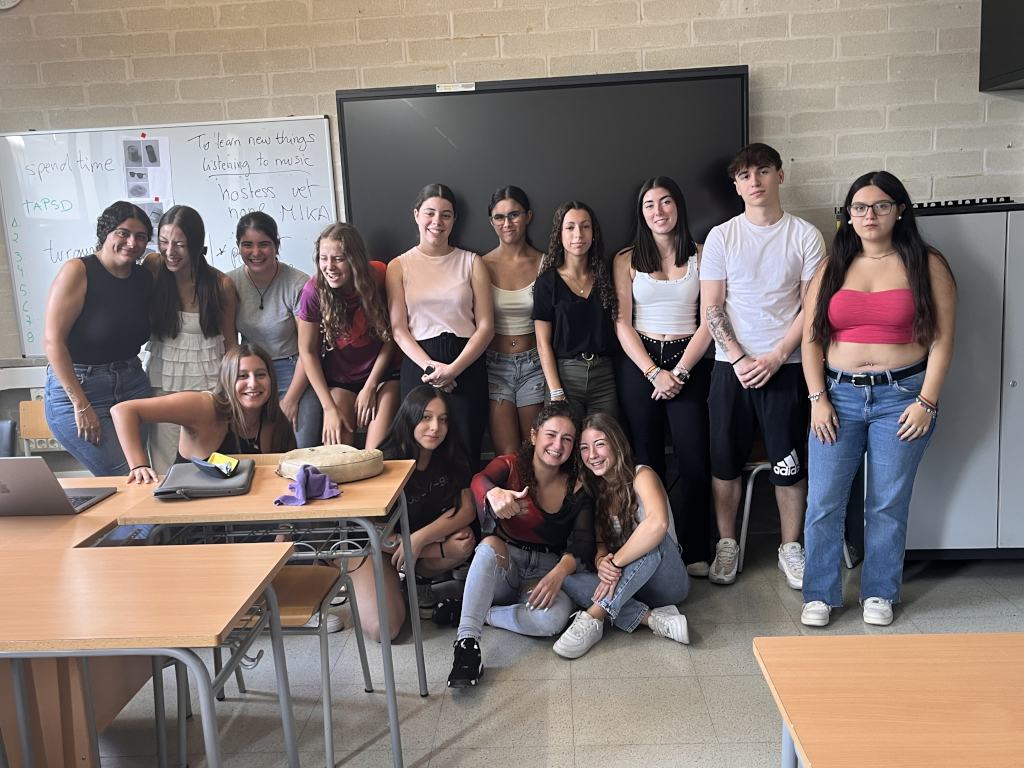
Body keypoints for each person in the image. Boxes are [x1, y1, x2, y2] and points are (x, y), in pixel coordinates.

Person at [800, 172, 956, 628]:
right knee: (823, 501)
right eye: (860, 207)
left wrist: (927, 402)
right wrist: (817, 398)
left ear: (900, 210)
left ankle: (880, 592)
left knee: (886, 503)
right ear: (848, 215)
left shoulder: (926, 263)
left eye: (881, 205)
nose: (869, 215)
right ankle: (820, 595)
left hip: (902, 399)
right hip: (837, 399)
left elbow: (943, 340)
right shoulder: (832, 267)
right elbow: (811, 339)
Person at [700, 143, 826, 589]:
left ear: (780, 176)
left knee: (789, 465)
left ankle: (790, 547)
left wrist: (775, 356)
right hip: (729, 368)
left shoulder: (806, 236)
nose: (754, 182)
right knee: (724, 463)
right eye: (744, 176)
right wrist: (738, 356)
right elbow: (712, 306)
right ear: (736, 186)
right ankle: (727, 543)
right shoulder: (722, 237)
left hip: (786, 367)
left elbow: (812, 309)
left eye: (763, 172)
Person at [447, 401, 596, 688]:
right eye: (551, 434)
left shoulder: (578, 485)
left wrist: (558, 574)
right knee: (488, 545)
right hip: (506, 565)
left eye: (567, 439)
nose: (557, 445)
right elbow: (480, 479)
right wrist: (494, 494)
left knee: (553, 620)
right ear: (534, 436)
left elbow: (584, 541)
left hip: (546, 571)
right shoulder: (510, 465)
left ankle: (481, 613)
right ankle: (467, 643)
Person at [614, 177, 714, 577]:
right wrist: (654, 372)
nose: (659, 212)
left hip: (690, 359)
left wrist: (680, 371)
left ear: (679, 206)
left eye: (666, 202)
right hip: (641, 362)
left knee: (694, 459)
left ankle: (695, 550)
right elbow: (621, 323)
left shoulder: (703, 255)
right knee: (646, 461)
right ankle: (656, 550)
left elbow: (710, 320)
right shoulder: (626, 259)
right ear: (641, 213)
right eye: (650, 205)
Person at [554, 414, 691, 658]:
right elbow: (600, 543)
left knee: (652, 537)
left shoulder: (642, 475)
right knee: (566, 578)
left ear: (617, 444)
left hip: (667, 582)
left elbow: (658, 524)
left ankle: (593, 617)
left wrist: (616, 562)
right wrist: (602, 561)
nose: (592, 455)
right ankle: (654, 619)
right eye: (584, 448)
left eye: (599, 444)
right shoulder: (596, 489)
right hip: (630, 585)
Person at [351, 386, 478, 642]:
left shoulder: (451, 451)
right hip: (370, 546)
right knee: (385, 630)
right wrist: (434, 549)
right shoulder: (388, 460)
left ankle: (416, 583)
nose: (435, 427)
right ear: (409, 417)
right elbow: (373, 531)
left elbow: (467, 509)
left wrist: (418, 540)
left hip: (409, 540)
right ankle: (361, 580)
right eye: (426, 417)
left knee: (464, 539)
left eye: (443, 419)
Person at [42, 201, 154, 477]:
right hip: (82, 389)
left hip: (132, 386)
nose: (132, 243)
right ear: (105, 232)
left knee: (140, 472)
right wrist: (81, 405)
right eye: (123, 233)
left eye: (141, 236)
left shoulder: (143, 277)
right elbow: (53, 342)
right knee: (127, 474)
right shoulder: (78, 271)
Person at [387, 183, 494, 462]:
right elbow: (399, 329)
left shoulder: (472, 262)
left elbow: (486, 327)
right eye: (430, 213)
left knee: (466, 449)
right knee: (419, 450)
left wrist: (453, 370)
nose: (437, 221)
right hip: (420, 366)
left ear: (454, 219)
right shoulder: (399, 266)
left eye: (446, 215)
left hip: (465, 365)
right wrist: (432, 369)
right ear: (416, 215)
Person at [110, 343, 297, 484]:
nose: (253, 383)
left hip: (242, 512)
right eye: (242, 376)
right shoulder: (204, 407)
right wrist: (139, 466)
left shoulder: (275, 421)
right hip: (189, 514)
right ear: (227, 380)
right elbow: (124, 411)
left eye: (261, 374)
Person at [144, 205, 237, 473]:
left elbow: (231, 343)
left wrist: (232, 391)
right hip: (163, 383)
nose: (169, 251)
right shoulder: (153, 267)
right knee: (164, 466)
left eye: (180, 244)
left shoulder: (221, 285)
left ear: (196, 244)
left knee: (208, 467)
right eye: (163, 242)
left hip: (208, 388)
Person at [297, 223, 400, 448]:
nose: (329, 267)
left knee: (375, 454)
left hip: (382, 377)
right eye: (323, 258)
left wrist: (371, 385)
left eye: (338, 259)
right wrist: (328, 408)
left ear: (355, 259)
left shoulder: (380, 275)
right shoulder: (313, 291)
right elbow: (307, 351)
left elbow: (393, 336)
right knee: (338, 453)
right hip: (340, 381)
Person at [228, 212, 321, 448]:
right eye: (247, 245)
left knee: (302, 447)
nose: (255, 252)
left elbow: (308, 349)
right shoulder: (230, 283)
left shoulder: (298, 284)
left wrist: (291, 399)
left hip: (294, 369)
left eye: (264, 244)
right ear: (238, 247)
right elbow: (230, 344)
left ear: (277, 246)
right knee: (253, 448)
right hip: (249, 371)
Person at [533, 201, 619, 419]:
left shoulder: (606, 278)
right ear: (559, 235)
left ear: (593, 233)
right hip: (564, 375)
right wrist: (556, 391)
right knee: (565, 439)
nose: (578, 234)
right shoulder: (547, 282)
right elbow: (542, 343)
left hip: (604, 377)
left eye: (585, 226)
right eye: (570, 227)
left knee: (606, 438)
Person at [482, 186, 546, 455]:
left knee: (534, 451)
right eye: (499, 217)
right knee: (507, 456)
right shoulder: (480, 265)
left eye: (514, 215)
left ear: (528, 216)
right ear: (491, 222)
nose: (507, 223)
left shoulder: (544, 263)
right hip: (494, 366)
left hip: (533, 364)